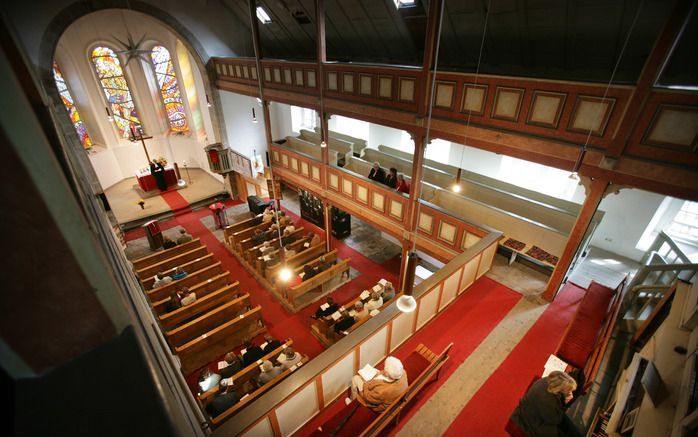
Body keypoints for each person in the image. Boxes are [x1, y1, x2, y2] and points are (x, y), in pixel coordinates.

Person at [509, 371, 583, 437]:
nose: (570, 393)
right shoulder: (547, 400)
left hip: (537, 410)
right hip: (534, 421)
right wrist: (565, 404)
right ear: (560, 388)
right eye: (569, 390)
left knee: (569, 426)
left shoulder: (548, 380)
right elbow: (555, 420)